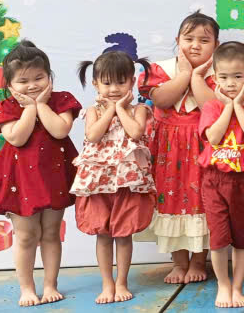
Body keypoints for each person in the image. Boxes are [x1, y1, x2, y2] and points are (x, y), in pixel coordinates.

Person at [0, 41, 80, 307]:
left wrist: (42, 105)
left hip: (53, 175)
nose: (32, 85)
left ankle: (50, 285)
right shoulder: (7, 107)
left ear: (49, 77)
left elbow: (60, 131)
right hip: (19, 179)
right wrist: (30, 108)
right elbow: (16, 138)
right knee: (25, 235)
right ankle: (27, 288)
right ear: (10, 85)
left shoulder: (61, 100)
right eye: (23, 81)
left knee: (51, 232)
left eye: (39, 78)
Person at [134, 11, 219, 284]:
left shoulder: (220, 73)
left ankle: (199, 261)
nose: (195, 45)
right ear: (177, 40)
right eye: (188, 38)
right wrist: (184, 74)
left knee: (201, 201)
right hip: (168, 150)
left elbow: (211, 107)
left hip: (202, 145)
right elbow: (161, 100)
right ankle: (179, 262)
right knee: (169, 200)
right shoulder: (160, 70)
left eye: (204, 40)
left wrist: (197, 78)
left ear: (216, 45)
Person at [72, 51, 157, 304]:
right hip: (99, 182)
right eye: (107, 83)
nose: (113, 89)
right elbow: (93, 136)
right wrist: (110, 110)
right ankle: (107, 283)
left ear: (132, 82)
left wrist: (120, 108)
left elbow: (135, 132)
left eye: (121, 82)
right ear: (96, 84)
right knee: (103, 233)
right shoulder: (93, 111)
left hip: (127, 182)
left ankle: (121, 282)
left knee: (124, 233)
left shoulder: (139, 110)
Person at [198, 42, 244, 309]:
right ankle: (223, 285)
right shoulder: (211, 107)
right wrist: (227, 106)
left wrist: (238, 104)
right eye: (224, 77)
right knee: (218, 240)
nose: (230, 83)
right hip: (214, 181)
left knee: (241, 239)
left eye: (238, 76)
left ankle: (237, 287)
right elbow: (214, 138)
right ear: (215, 78)